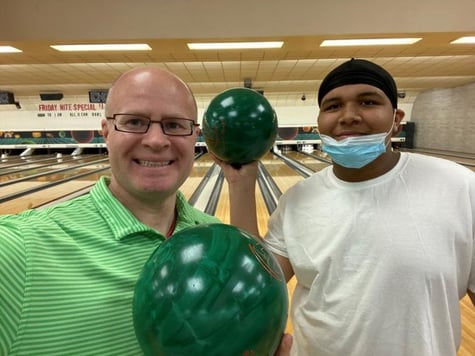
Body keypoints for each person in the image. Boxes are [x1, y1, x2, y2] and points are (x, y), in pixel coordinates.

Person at [221, 58, 475, 355]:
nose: (349, 115)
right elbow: (255, 286)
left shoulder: (460, 187)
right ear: (319, 122)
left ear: (397, 119)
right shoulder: (297, 200)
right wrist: (241, 183)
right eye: (332, 106)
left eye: (368, 102)